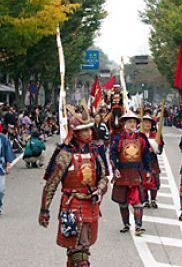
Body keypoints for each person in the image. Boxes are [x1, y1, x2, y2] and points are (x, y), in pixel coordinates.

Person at [38, 105, 108, 266]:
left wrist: (100, 189)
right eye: (85, 130)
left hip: (91, 205)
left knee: (75, 251)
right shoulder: (65, 154)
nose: (89, 133)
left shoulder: (95, 152)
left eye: (90, 130)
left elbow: (103, 177)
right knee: (80, 251)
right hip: (72, 205)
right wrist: (44, 210)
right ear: (75, 133)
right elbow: (51, 184)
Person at [110, 111, 151, 235]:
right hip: (122, 172)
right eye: (129, 122)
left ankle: (138, 226)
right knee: (122, 201)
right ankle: (126, 224)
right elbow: (113, 154)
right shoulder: (118, 138)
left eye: (133, 122)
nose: (132, 124)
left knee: (137, 200)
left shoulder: (141, 138)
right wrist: (115, 168)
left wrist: (148, 170)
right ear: (124, 124)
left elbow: (146, 155)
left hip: (136, 172)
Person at [141, 113, 164, 208]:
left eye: (149, 122)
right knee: (143, 181)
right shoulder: (138, 135)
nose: (147, 124)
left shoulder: (156, 135)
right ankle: (145, 200)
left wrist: (156, 149)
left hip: (152, 160)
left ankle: (153, 200)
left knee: (154, 180)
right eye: (145, 122)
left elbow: (160, 149)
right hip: (142, 161)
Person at [0, 131, 16, 215]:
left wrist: (8, 165)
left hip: (0, 167)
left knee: (1, 189)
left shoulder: (3, 138)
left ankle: (0, 204)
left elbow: (7, 152)